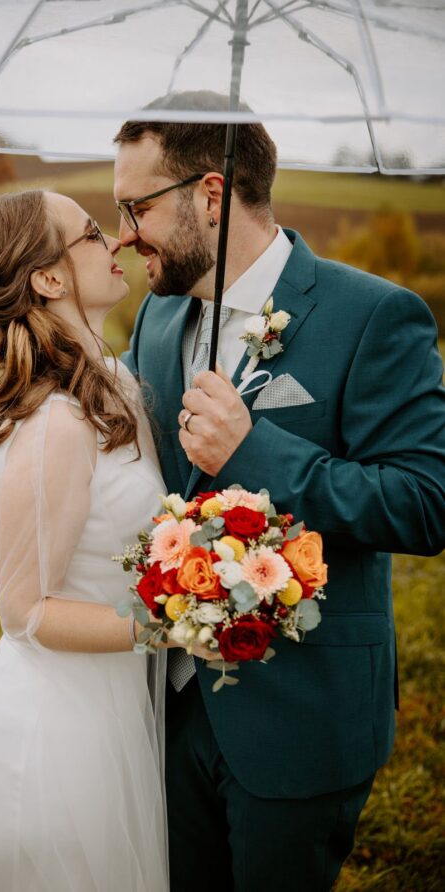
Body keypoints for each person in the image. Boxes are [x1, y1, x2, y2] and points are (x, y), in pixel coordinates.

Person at [113, 115, 445, 891]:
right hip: (166, 709)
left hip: (302, 714)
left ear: (211, 195)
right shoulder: (158, 318)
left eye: (137, 207)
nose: (123, 234)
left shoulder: (372, 315)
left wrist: (252, 449)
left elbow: (425, 502)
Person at [0, 189, 177, 891]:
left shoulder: (113, 383)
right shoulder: (56, 423)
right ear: (48, 278)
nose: (117, 242)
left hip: (105, 711)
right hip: (52, 740)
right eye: (92, 233)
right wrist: (173, 625)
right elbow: (24, 611)